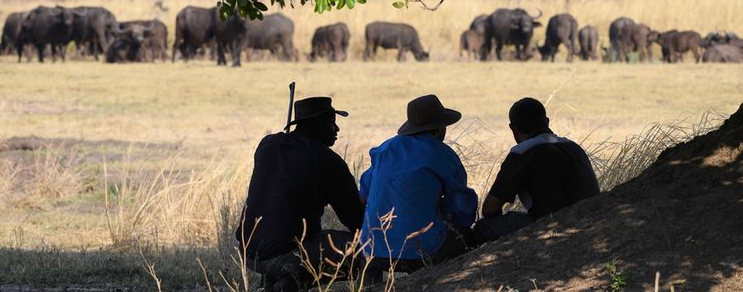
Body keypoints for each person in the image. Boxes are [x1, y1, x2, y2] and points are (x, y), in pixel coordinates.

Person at [236, 96, 364, 292]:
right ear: (317, 124)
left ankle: (287, 283)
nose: (337, 130)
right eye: (331, 123)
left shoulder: (268, 145)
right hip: (284, 254)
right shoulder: (328, 161)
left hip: (248, 253)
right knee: (368, 251)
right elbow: (355, 220)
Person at [359, 94, 478, 274]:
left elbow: (363, 194)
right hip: (421, 253)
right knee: (467, 238)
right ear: (439, 129)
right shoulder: (442, 154)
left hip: (373, 250)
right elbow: (462, 206)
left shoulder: (385, 149)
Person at [474, 97, 600, 243]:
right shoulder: (573, 147)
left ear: (513, 128)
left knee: (484, 227)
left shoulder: (522, 153)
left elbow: (489, 208)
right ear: (546, 122)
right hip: (592, 218)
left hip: (551, 225)